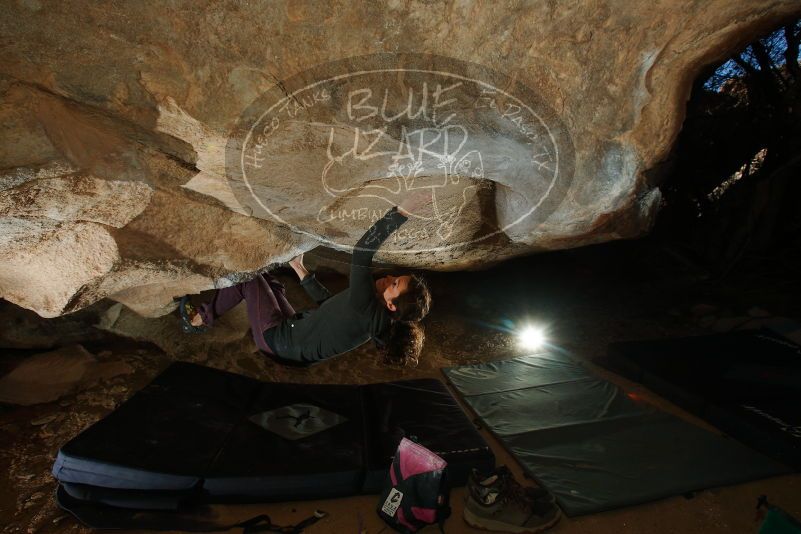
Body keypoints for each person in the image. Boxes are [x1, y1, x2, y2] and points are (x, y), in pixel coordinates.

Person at [180, 202, 432, 367]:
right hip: (294, 337)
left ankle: (199, 321)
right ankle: (208, 315)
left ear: (391, 304)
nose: (389, 278)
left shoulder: (367, 308)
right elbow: (329, 305)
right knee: (269, 281)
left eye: (395, 283)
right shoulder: (375, 318)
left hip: (280, 341)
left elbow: (361, 253)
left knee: (250, 280)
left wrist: (400, 214)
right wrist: (301, 270)